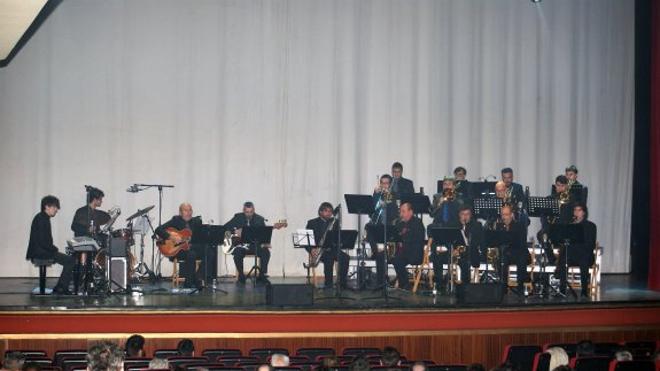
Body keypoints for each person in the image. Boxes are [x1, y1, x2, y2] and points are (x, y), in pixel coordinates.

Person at [26, 195, 75, 295]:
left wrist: (53, 249)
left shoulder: (42, 217)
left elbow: (44, 241)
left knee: (69, 260)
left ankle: (61, 287)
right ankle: (61, 288)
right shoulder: (41, 219)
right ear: (47, 206)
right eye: (55, 207)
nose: (56, 209)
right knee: (70, 261)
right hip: (40, 252)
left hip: (41, 250)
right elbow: (43, 242)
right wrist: (54, 249)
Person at [429, 205, 483, 291]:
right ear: (459, 215)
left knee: (465, 261)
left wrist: (461, 251)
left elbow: (476, 242)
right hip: (454, 252)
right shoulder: (453, 224)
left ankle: (465, 287)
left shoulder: (477, 225)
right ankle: (439, 284)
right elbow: (446, 239)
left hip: (469, 253)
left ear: (471, 215)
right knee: (437, 257)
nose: (465, 216)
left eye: (467, 214)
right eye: (463, 214)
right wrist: (453, 250)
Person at [155, 203, 204, 289]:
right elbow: (158, 230)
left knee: (209, 252)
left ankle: (197, 278)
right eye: (186, 210)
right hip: (177, 251)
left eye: (190, 210)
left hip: (192, 249)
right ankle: (189, 284)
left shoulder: (197, 221)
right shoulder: (175, 220)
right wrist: (171, 237)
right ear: (180, 212)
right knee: (191, 254)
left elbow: (199, 237)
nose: (188, 213)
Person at [555, 203, 597, 297]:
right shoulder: (570, 225)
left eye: (579, 210)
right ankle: (562, 289)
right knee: (564, 258)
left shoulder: (591, 226)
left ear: (584, 213)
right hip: (573, 255)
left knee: (584, 259)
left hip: (585, 254)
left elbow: (590, 244)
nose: (576, 212)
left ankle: (584, 290)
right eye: (575, 210)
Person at [225, 202, 272, 284]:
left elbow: (264, 233)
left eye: (251, 212)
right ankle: (241, 276)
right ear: (243, 210)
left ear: (254, 210)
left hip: (255, 246)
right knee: (237, 253)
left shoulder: (259, 219)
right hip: (241, 245)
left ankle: (261, 275)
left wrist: (265, 243)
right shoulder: (238, 217)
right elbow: (225, 228)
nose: (249, 214)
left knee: (266, 252)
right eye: (247, 212)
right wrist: (235, 232)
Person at [305, 202, 348, 288]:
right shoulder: (312, 223)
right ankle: (328, 284)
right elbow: (306, 240)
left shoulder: (334, 222)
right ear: (320, 212)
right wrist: (311, 249)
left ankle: (342, 283)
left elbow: (337, 238)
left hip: (332, 248)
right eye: (326, 211)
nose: (329, 213)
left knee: (345, 257)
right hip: (319, 250)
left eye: (330, 211)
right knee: (329, 257)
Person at [367, 174, 399, 286]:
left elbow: (395, 213)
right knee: (368, 227)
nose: (384, 185)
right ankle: (375, 251)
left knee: (383, 255)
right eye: (382, 183)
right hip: (377, 225)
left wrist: (387, 202)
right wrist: (376, 196)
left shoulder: (394, 195)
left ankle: (379, 254)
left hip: (388, 225)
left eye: (386, 183)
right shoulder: (377, 194)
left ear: (390, 184)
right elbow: (370, 213)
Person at [492, 204, 530, 293]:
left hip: (518, 252)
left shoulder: (520, 225)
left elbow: (521, 243)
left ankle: (520, 286)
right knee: (502, 259)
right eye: (502, 215)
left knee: (521, 258)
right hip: (506, 253)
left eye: (506, 214)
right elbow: (496, 242)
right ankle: (503, 286)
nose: (504, 217)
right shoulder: (499, 226)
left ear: (511, 215)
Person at [390, 202, 425, 291]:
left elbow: (418, 239)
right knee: (395, 259)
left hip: (414, 253)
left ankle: (404, 284)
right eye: (400, 212)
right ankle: (404, 283)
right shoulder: (399, 223)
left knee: (397, 259)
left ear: (410, 212)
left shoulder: (417, 223)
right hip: (403, 253)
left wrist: (403, 241)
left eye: (403, 211)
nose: (401, 214)